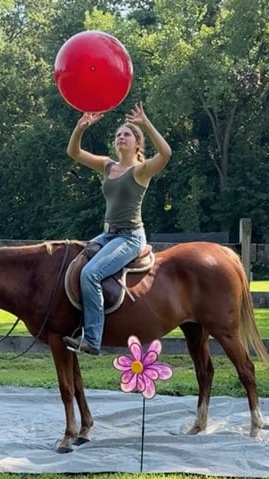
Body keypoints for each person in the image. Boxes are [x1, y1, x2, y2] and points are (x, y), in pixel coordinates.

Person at [63, 102, 172, 355]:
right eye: (117, 135)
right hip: (107, 234)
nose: (120, 137)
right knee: (70, 261)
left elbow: (166, 154)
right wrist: (81, 127)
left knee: (90, 273)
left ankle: (92, 339)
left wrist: (145, 124)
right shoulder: (108, 166)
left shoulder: (141, 171)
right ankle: (73, 324)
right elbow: (74, 152)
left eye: (126, 134)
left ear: (137, 143)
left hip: (130, 237)